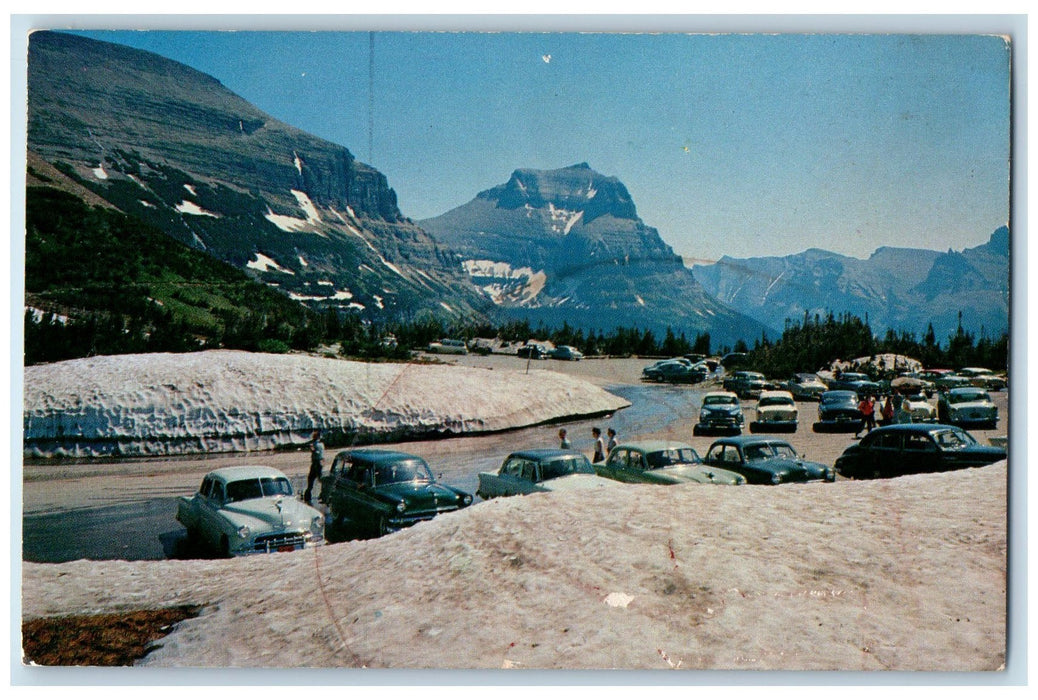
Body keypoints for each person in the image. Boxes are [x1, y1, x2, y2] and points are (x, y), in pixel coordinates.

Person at [303, 430, 325, 504]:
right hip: (319, 463)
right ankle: (323, 493)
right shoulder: (321, 444)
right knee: (319, 478)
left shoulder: (317, 445)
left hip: (316, 463)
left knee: (311, 478)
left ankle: (308, 494)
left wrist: (312, 448)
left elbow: (316, 452)